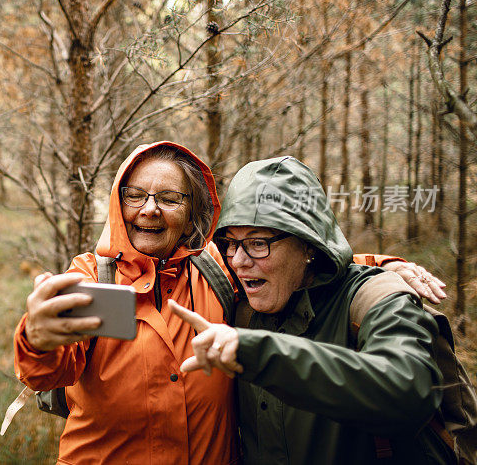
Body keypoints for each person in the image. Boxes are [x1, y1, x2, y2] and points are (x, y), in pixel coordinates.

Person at [13, 143, 444, 464]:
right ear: (117, 202)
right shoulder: (92, 278)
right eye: (135, 195)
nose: (149, 210)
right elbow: (49, 370)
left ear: (191, 210)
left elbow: (292, 258)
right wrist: (37, 338)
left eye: (168, 198)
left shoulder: (217, 271)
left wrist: (384, 265)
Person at [170, 156, 451, 464]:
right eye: (230, 243)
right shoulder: (238, 304)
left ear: (308, 246)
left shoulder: (377, 301)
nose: (238, 260)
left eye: (258, 243)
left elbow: (409, 394)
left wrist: (261, 354)